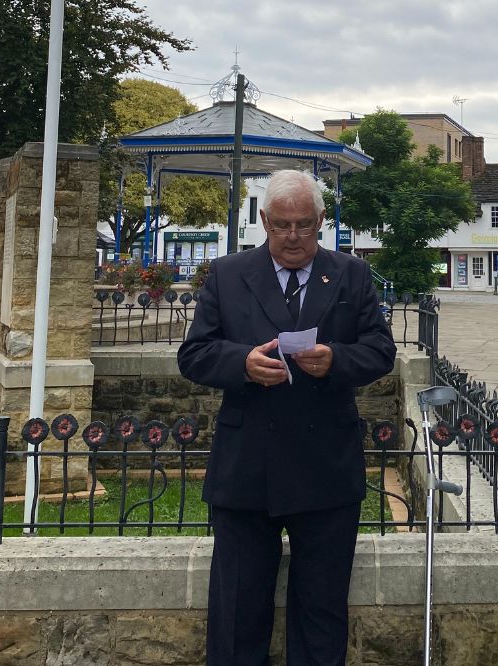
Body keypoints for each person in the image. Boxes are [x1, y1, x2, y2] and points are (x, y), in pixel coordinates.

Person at [178, 169, 396, 665]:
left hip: (326, 469)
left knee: (321, 613)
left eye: (304, 225)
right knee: (236, 612)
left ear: (321, 221)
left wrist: (336, 360)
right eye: (281, 225)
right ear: (263, 221)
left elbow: (380, 351)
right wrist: (242, 364)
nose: (293, 237)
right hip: (246, 467)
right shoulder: (229, 274)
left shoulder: (351, 274)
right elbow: (194, 355)